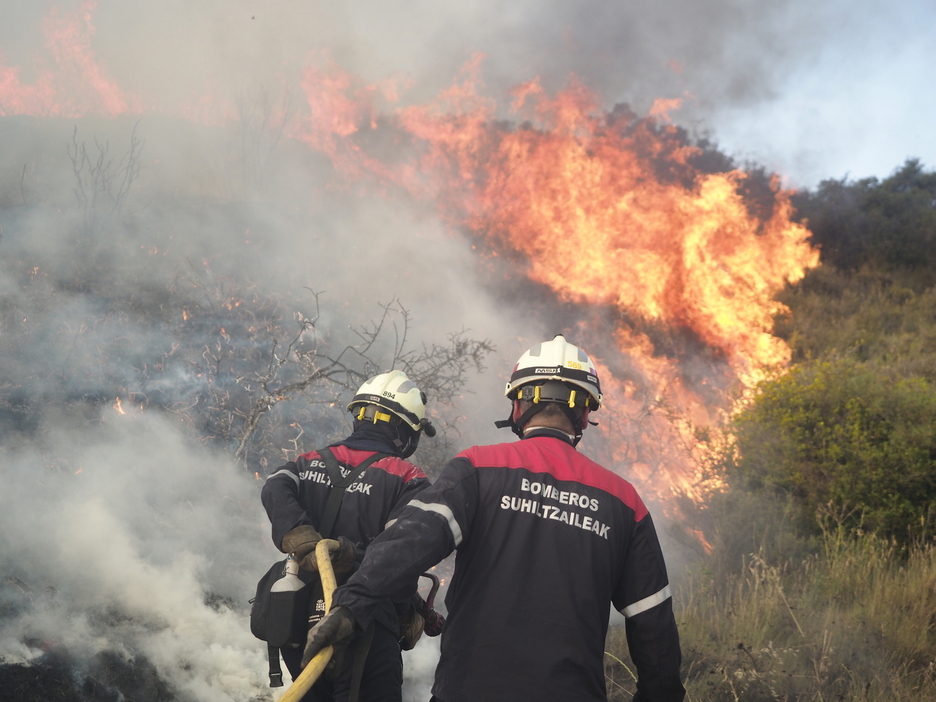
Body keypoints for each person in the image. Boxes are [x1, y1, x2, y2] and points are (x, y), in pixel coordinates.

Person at [299, 335, 686, 702]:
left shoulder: (477, 468)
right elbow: (653, 624)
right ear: (585, 414)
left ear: (516, 407)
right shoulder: (624, 501)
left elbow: (408, 544)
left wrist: (349, 606)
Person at [261, 369, 435, 702]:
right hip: (366, 624)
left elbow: (275, 485)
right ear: (405, 430)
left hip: (297, 624)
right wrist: (403, 614)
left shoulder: (307, 462)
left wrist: (299, 537)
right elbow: (399, 557)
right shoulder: (407, 478)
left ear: (359, 416)